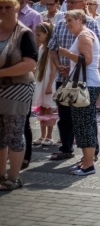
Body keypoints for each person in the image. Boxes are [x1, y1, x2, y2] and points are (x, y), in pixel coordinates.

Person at [47, 0, 100, 161]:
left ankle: (92, 153)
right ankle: (66, 147)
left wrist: (71, 59)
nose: (69, 4)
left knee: (86, 119)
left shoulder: (90, 25)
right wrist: (59, 67)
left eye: (73, 2)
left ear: (83, 3)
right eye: (68, 1)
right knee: (65, 117)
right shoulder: (60, 23)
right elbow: (52, 48)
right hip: (64, 77)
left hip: (83, 79)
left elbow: (99, 52)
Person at [57, 10, 100, 176]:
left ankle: (89, 164)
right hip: (88, 83)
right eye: (66, 21)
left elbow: (88, 59)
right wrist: (70, 67)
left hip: (87, 85)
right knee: (83, 124)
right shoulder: (84, 34)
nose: (67, 24)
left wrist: (66, 53)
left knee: (85, 125)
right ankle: (85, 161)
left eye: (70, 20)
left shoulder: (84, 35)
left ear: (80, 19)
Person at [0, 0, 38, 191]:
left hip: (17, 88)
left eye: (8, 7)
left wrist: (1, 72)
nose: (4, 11)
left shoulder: (24, 33)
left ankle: (13, 177)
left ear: (16, 8)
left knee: (14, 132)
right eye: (1, 8)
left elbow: (30, 64)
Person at [31, 22, 57, 150]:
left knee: (49, 108)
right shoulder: (41, 48)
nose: (36, 37)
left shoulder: (52, 49)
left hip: (48, 82)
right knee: (41, 108)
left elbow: (53, 70)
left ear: (47, 34)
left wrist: (50, 86)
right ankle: (42, 135)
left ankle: (49, 135)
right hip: (41, 81)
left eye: (39, 35)